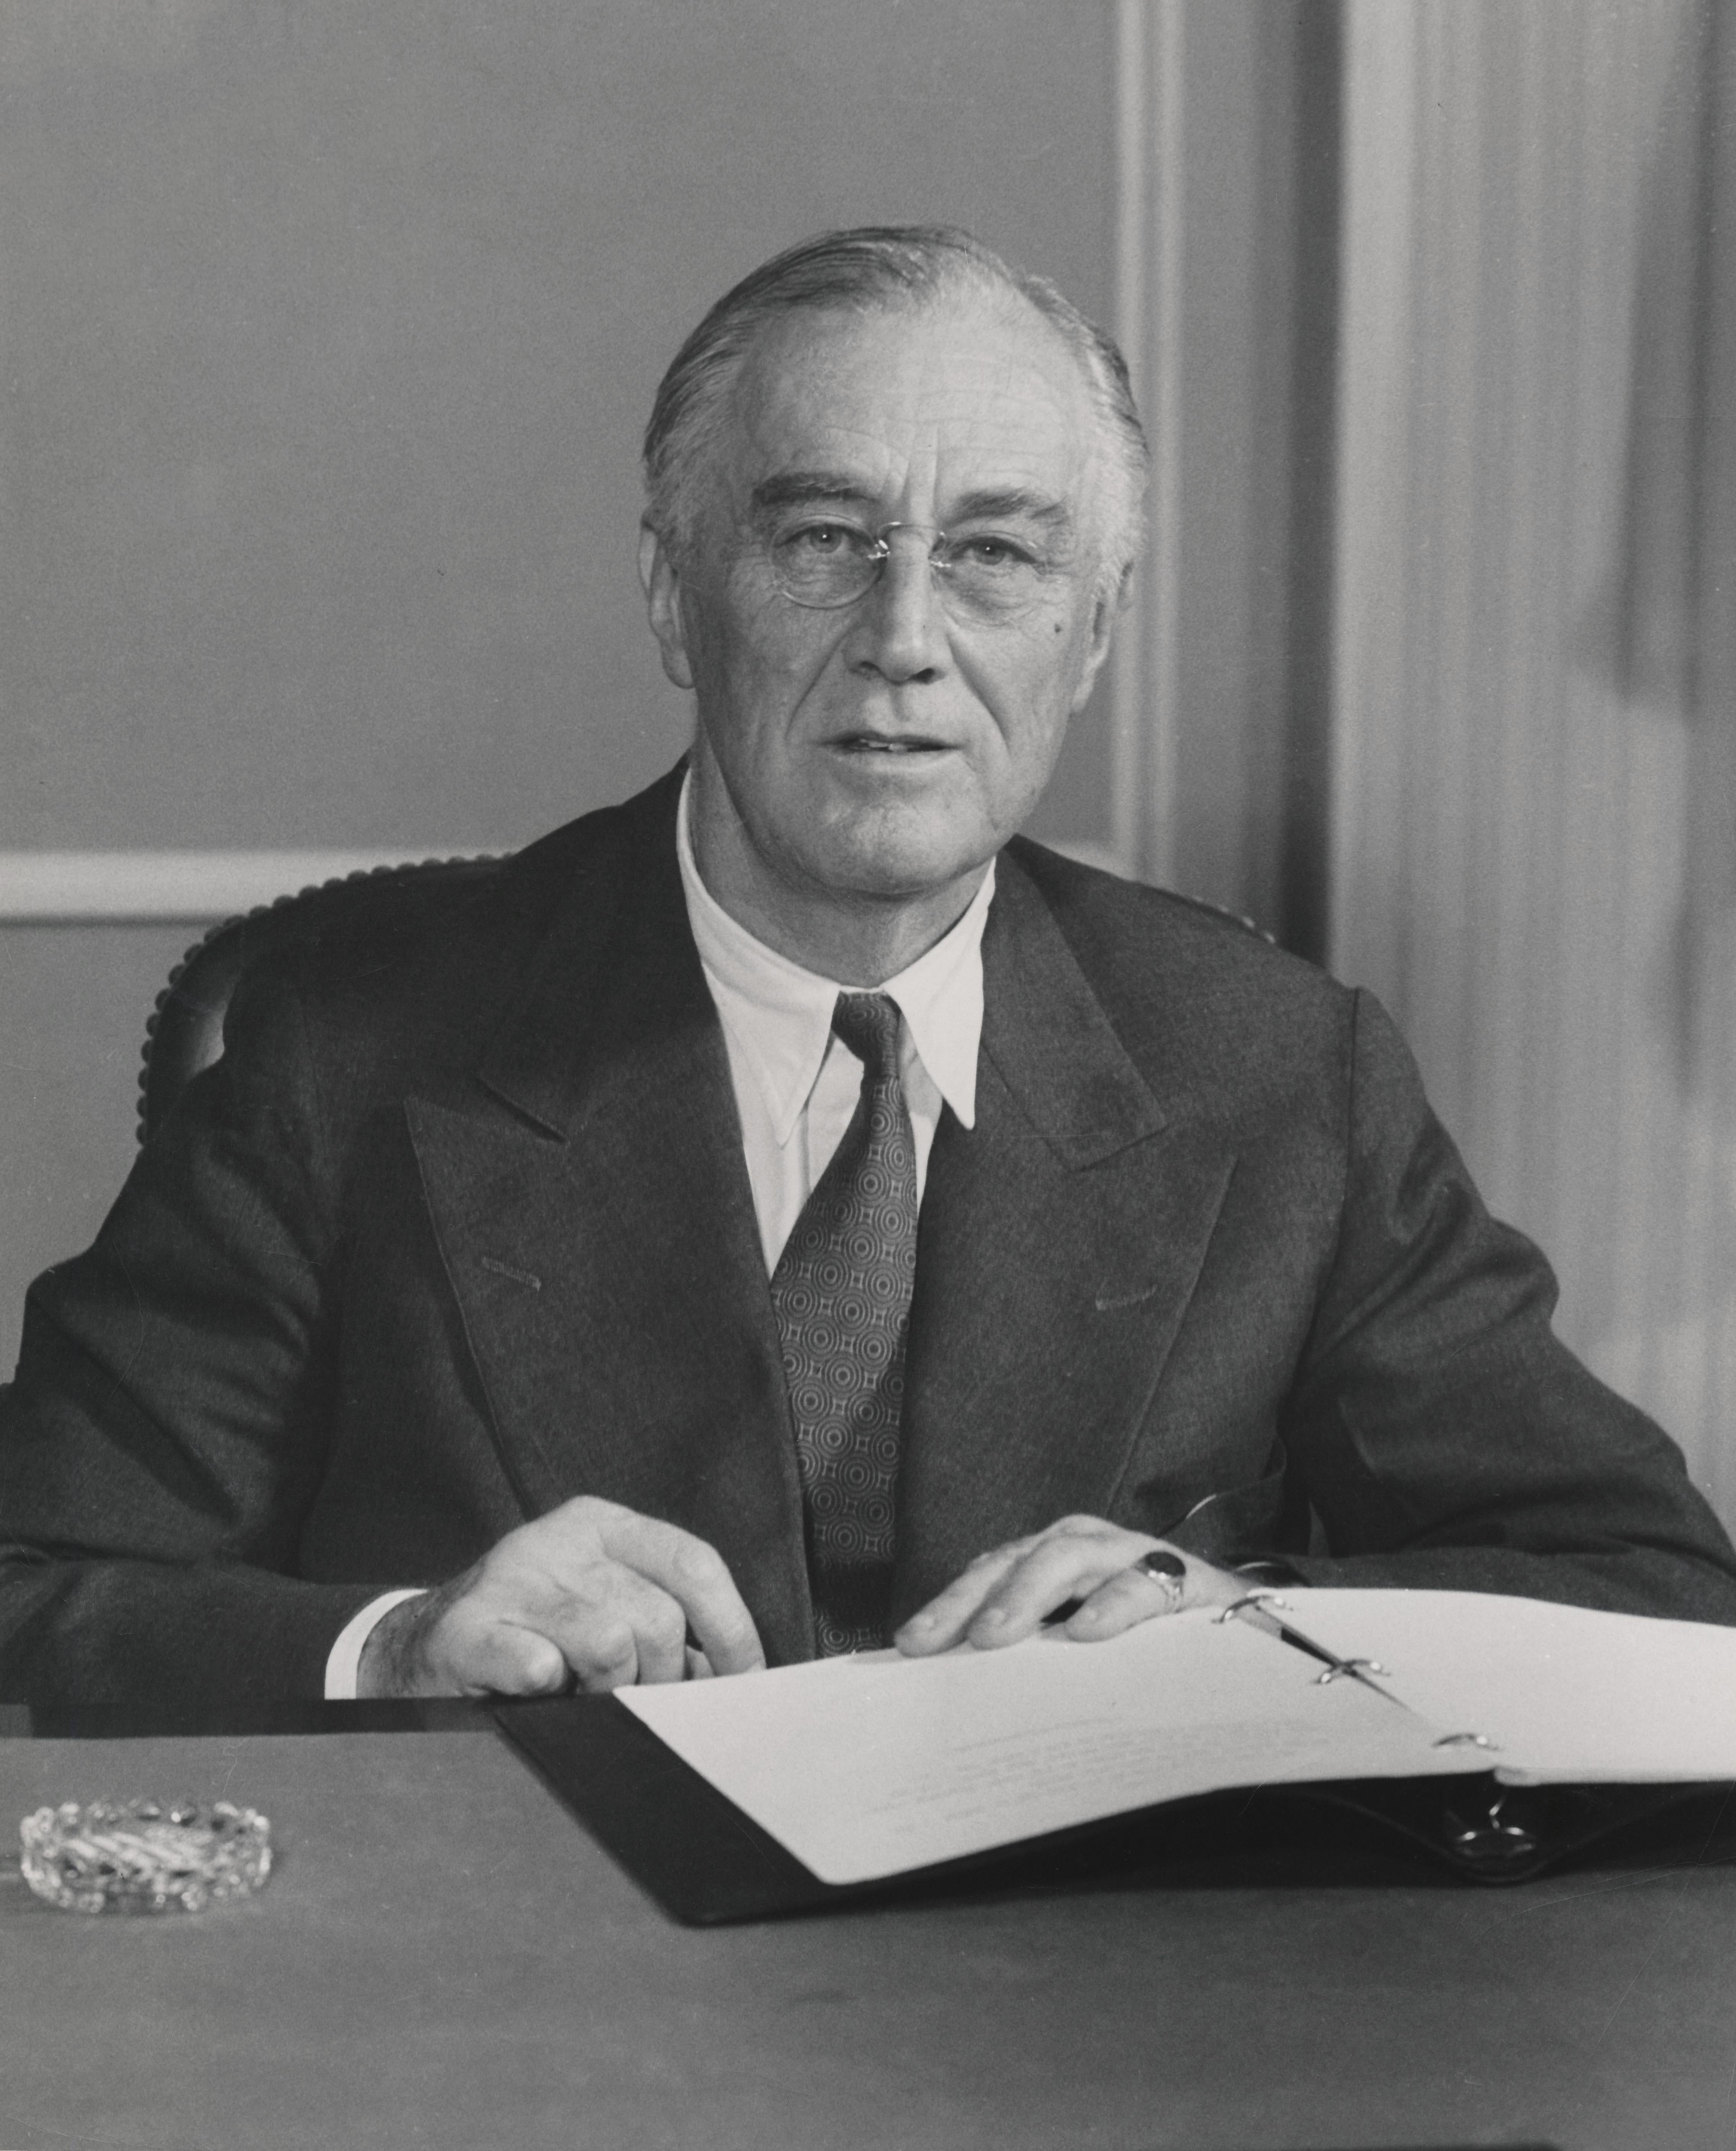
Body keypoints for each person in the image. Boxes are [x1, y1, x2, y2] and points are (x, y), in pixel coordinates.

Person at [4, 225, 1736, 1712]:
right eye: (824, 538)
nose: (904, 640)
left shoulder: (1278, 1073)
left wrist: (1249, 1637)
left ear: (1092, 630)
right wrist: (392, 1654)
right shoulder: (355, 1050)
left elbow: (1656, 1593)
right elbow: (34, 1580)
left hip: (1073, 2050)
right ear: (677, 598)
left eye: (992, 553)